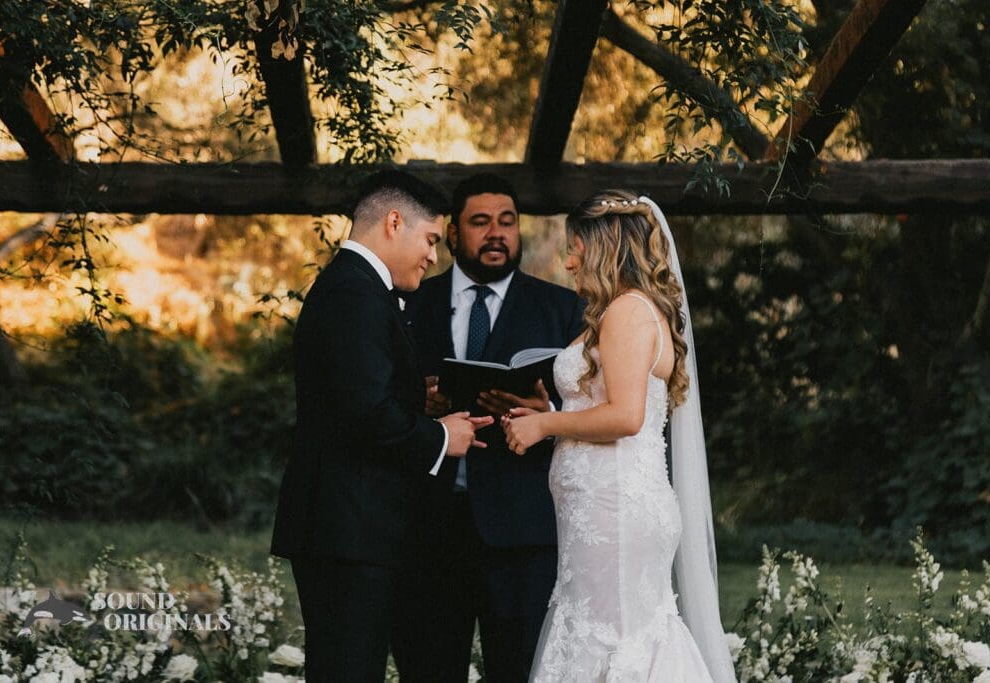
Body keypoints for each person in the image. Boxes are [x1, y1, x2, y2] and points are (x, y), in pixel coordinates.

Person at [501, 190, 737, 682]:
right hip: (602, 510)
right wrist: (547, 411)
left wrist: (545, 425)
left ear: (605, 248)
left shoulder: (629, 311)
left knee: (616, 639)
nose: (567, 263)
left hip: (617, 513)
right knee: (602, 631)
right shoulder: (617, 312)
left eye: (576, 250)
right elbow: (604, 406)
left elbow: (626, 417)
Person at [270, 170, 493, 683]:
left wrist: (420, 398)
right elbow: (367, 415)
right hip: (346, 529)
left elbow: (352, 396)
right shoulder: (354, 293)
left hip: (352, 527)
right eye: (431, 239)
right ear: (394, 222)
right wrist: (444, 436)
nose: (434, 257)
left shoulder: (358, 287)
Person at [394, 174, 584, 682]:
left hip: (522, 531)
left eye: (507, 222)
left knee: (519, 670)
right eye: (480, 223)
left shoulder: (563, 309)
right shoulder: (411, 302)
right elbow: (379, 396)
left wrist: (547, 408)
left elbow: (591, 406)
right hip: (429, 528)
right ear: (453, 234)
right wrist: (422, 401)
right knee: (428, 670)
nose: (496, 233)